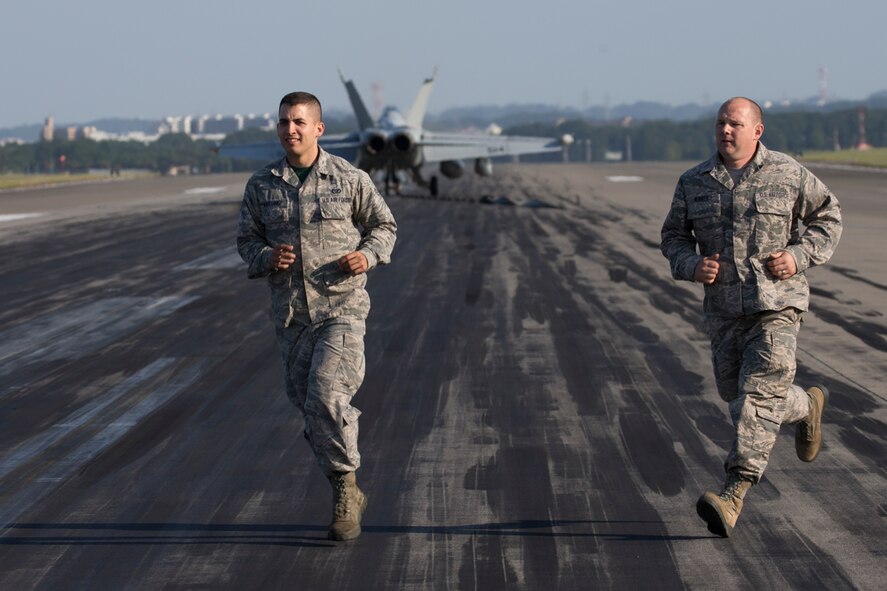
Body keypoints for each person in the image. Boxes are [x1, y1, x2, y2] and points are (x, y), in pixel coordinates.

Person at [660, 97, 842, 537]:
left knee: (756, 398)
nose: (726, 130)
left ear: (756, 131)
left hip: (777, 306)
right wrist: (691, 266)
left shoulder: (788, 172)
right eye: (722, 122)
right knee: (737, 395)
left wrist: (798, 257)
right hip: (724, 310)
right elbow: (673, 237)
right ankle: (807, 406)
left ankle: (733, 492)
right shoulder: (694, 182)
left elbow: (828, 217)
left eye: (736, 123)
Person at [236, 91, 397, 541]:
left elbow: (384, 226)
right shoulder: (262, 186)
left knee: (327, 396)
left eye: (300, 122)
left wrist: (367, 256)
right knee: (311, 410)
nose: (291, 129)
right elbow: (246, 242)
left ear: (318, 128)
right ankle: (344, 484)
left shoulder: (349, 178)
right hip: (292, 318)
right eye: (284, 122)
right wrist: (267, 257)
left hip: (341, 310)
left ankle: (345, 490)